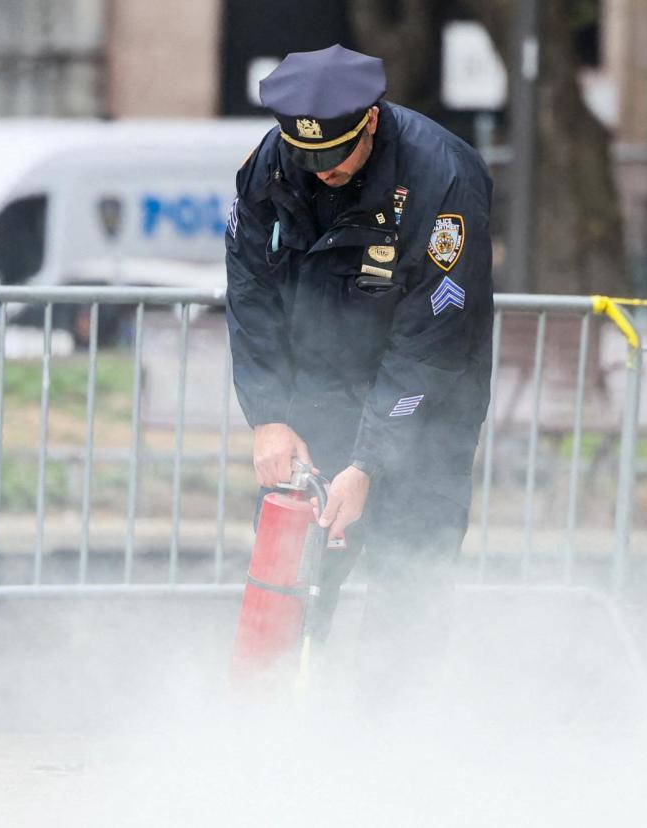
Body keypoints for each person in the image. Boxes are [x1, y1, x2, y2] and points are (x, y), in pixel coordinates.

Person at [225, 44, 494, 690]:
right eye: (306, 156)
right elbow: (250, 288)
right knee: (291, 575)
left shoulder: (443, 179)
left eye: (335, 155)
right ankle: (264, 732)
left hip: (428, 406)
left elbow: (431, 338)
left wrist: (370, 461)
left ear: (370, 121)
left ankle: (385, 747)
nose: (321, 172)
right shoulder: (273, 161)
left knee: (409, 582)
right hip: (320, 393)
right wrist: (270, 416)